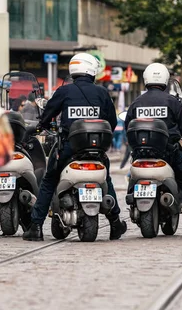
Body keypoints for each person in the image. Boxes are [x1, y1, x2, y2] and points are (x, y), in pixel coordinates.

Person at [22, 53, 127, 241]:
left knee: (49, 181)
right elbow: (111, 122)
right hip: (96, 151)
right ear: (91, 70)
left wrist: (41, 127)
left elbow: (47, 117)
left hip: (69, 148)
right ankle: (115, 223)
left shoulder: (64, 92)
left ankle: (36, 226)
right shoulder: (102, 93)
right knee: (106, 180)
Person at [124, 63, 182, 238]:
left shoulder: (136, 102)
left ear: (146, 80)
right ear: (165, 80)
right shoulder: (172, 101)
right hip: (169, 152)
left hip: (141, 155)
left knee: (132, 177)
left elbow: (128, 126)